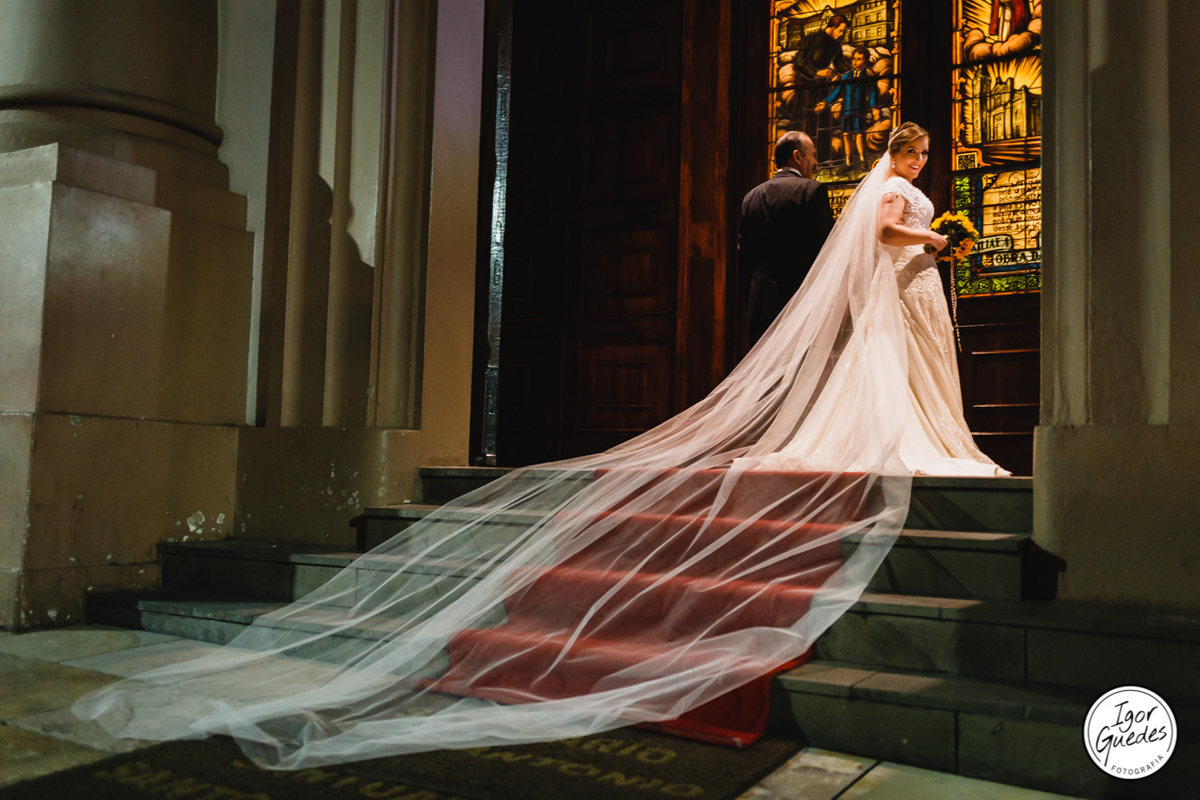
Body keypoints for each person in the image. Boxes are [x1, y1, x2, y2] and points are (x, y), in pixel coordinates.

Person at [72, 122, 1004, 770]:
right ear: (888, 155)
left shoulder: (761, 193)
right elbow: (843, 251)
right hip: (826, 302)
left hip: (765, 302)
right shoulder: (839, 196)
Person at [754, 122, 1007, 477]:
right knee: (903, 357)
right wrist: (930, 237)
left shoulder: (902, 185)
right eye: (911, 152)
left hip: (919, 277)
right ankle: (903, 443)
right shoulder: (894, 185)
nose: (918, 160)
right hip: (903, 283)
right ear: (894, 152)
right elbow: (885, 230)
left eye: (923, 153)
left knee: (922, 359)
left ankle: (934, 437)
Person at [739, 131, 834, 346]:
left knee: (763, 375)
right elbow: (827, 250)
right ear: (797, 156)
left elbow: (744, 257)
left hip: (761, 305)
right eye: (812, 155)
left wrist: (752, 298)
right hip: (800, 302)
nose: (816, 161)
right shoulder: (812, 191)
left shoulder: (750, 197)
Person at [814, 47, 881, 173]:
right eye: (854, 59)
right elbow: (838, 91)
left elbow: (872, 93)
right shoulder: (847, 76)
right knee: (846, 135)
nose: (855, 62)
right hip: (846, 110)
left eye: (859, 59)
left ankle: (862, 161)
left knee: (859, 135)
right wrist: (825, 103)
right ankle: (848, 162)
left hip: (859, 110)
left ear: (865, 61)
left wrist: (874, 108)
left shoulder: (867, 75)